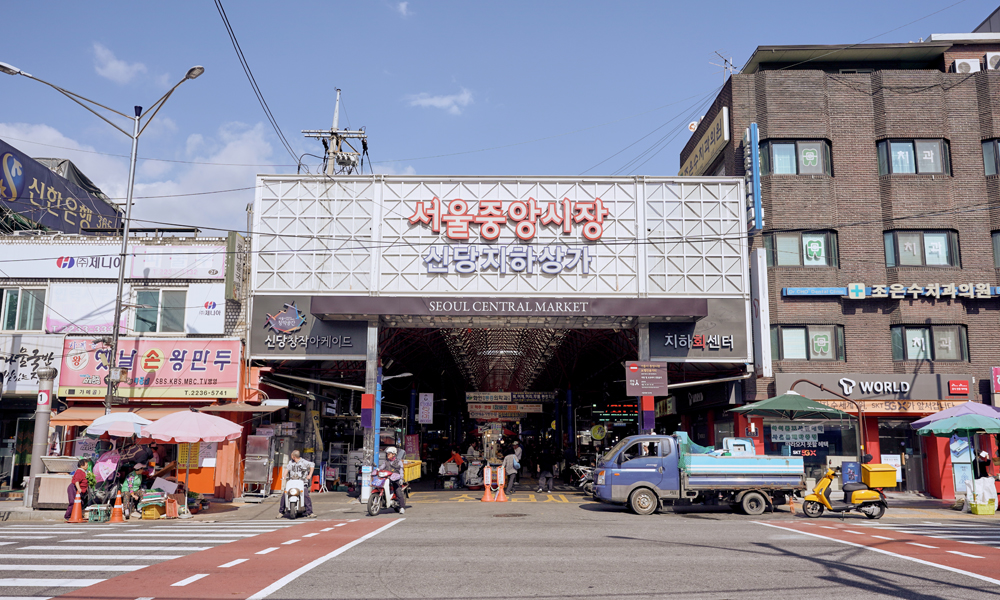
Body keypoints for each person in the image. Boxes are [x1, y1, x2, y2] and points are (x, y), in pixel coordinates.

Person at [279, 450, 315, 518]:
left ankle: (310, 512)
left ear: (294, 456)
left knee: (305, 495)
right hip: (292, 482)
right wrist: (284, 476)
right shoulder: (290, 462)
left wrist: (310, 475)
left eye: (291, 455)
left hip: (302, 482)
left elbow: (312, 465)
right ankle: (281, 512)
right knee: (285, 494)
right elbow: (287, 469)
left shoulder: (304, 462)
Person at [383, 446, 407, 513]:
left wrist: (401, 478)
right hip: (387, 478)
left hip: (395, 479)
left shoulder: (398, 462)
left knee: (398, 491)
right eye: (387, 453)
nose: (388, 455)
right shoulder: (386, 462)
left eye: (389, 453)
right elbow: (381, 467)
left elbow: (401, 470)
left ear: (393, 454)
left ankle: (402, 507)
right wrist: (377, 470)